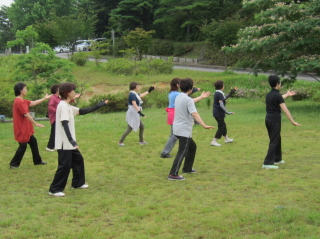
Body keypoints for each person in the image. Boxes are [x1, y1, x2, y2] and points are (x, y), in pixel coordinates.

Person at [48, 82, 108, 197]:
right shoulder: (62, 106)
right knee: (64, 165)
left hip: (69, 143)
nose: (75, 93)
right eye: (73, 91)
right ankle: (54, 189)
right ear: (67, 93)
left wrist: (98, 106)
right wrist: (71, 140)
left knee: (78, 160)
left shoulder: (68, 106)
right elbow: (64, 123)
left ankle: (77, 183)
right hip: (64, 143)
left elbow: (81, 111)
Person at [168, 78, 214, 180]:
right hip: (183, 130)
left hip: (178, 128)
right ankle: (173, 174)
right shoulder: (186, 99)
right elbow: (194, 113)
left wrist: (201, 97)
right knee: (182, 151)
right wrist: (204, 125)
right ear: (191, 88)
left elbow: (190, 101)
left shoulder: (180, 96)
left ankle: (187, 168)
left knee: (192, 147)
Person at [160, 78, 210, 158]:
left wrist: (198, 95)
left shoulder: (172, 93)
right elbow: (189, 100)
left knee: (175, 135)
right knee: (174, 135)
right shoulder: (177, 94)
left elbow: (188, 99)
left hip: (173, 113)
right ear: (177, 85)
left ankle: (175, 150)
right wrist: (197, 93)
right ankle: (165, 152)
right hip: (175, 114)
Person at [9, 82, 52, 169]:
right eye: (25, 89)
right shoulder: (19, 101)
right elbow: (26, 114)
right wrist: (35, 123)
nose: (26, 90)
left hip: (25, 128)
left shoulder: (22, 101)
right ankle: (13, 164)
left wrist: (44, 98)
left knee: (33, 141)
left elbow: (33, 103)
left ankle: (37, 161)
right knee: (23, 146)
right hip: (21, 128)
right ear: (21, 90)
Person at [262, 75, 301, 169]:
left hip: (268, 119)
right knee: (274, 141)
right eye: (280, 82)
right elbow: (285, 110)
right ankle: (267, 163)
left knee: (276, 139)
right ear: (277, 84)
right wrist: (292, 121)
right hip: (275, 120)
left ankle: (277, 158)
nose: (280, 84)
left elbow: (278, 99)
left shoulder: (269, 94)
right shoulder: (277, 95)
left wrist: (287, 94)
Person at [118, 82, 155, 146]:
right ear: (134, 87)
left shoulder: (135, 94)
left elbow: (142, 95)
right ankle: (120, 142)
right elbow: (134, 104)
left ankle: (141, 141)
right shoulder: (132, 95)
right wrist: (140, 112)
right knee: (130, 128)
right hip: (133, 113)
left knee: (142, 126)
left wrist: (150, 90)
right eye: (137, 86)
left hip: (135, 112)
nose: (138, 87)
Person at [46, 84, 80, 152]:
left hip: (61, 117)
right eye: (59, 89)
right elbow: (50, 107)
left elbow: (67, 102)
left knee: (58, 133)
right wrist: (58, 112)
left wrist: (74, 97)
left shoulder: (60, 98)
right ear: (56, 90)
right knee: (54, 133)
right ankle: (49, 147)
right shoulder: (53, 98)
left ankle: (58, 145)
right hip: (55, 118)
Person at [211, 80, 237, 146]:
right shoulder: (219, 93)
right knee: (221, 127)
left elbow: (224, 98)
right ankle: (214, 141)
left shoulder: (218, 93)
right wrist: (227, 112)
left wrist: (232, 92)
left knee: (223, 125)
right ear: (222, 86)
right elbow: (221, 105)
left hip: (217, 113)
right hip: (219, 113)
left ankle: (226, 139)